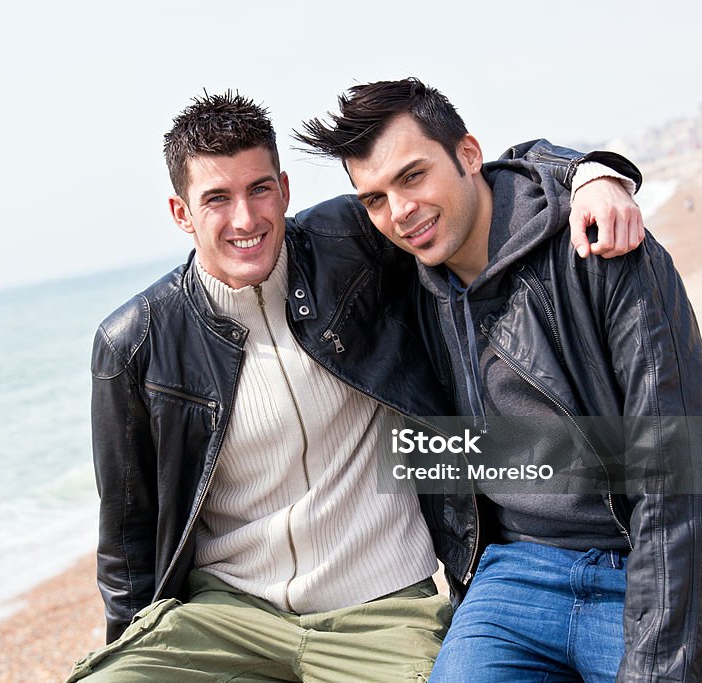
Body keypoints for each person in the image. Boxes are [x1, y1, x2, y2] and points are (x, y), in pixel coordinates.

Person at [67, 91, 643, 682]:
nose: (245, 219)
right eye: (217, 198)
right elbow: (127, 541)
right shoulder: (134, 342)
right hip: (227, 616)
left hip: (384, 608)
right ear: (181, 212)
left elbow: (465, 181)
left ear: (285, 190)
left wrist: (587, 173)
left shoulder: (355, 240)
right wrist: (131, 653)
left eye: (259, 189)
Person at [295, 77, 702, 682]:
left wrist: (591, 173)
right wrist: (582, 166)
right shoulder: (415, 287)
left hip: (639, 563)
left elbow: (677, 480)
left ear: (470, 155)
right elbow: (268, 242)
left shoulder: (602, 250)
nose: (400, 212)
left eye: (413, 176)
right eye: (374, 199)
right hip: (515, 575)